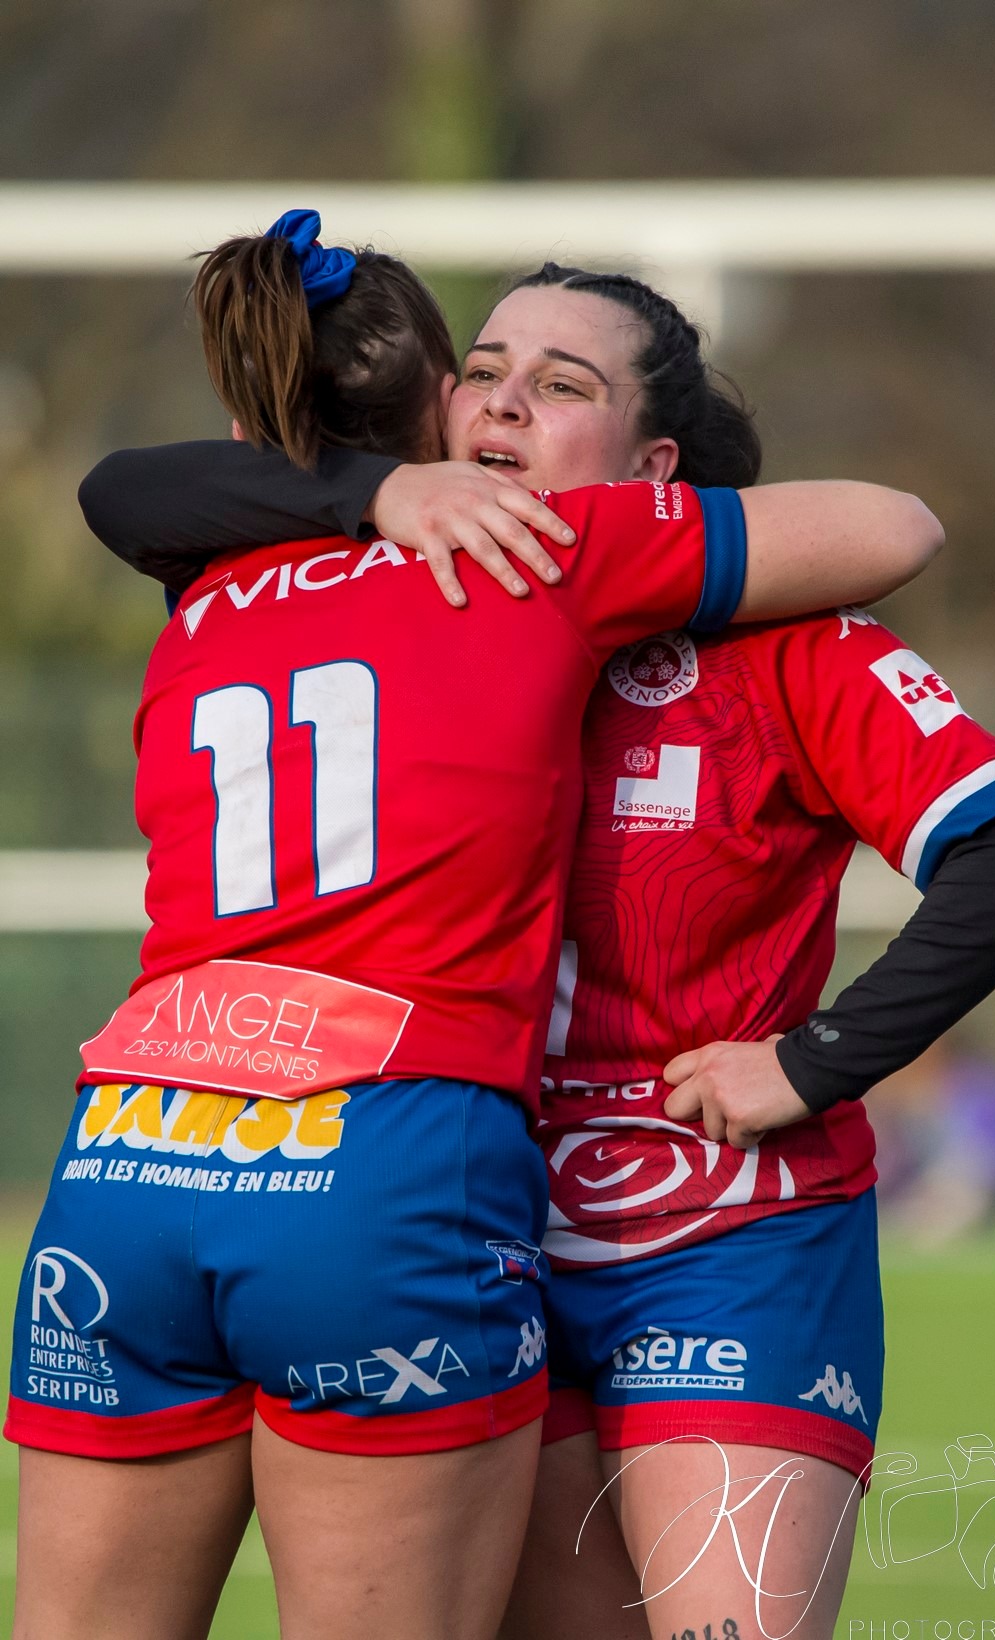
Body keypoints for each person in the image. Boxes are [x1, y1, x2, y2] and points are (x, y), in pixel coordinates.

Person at [9, 218, 942, 1640]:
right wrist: (425, 496)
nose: (507, 409)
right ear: (438, 403)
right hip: (380, 1155)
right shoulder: (540, 554)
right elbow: (896, 527)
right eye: (490, 376)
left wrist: (362, 490)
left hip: (127, 1150)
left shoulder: (201, 575)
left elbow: (115, 484)